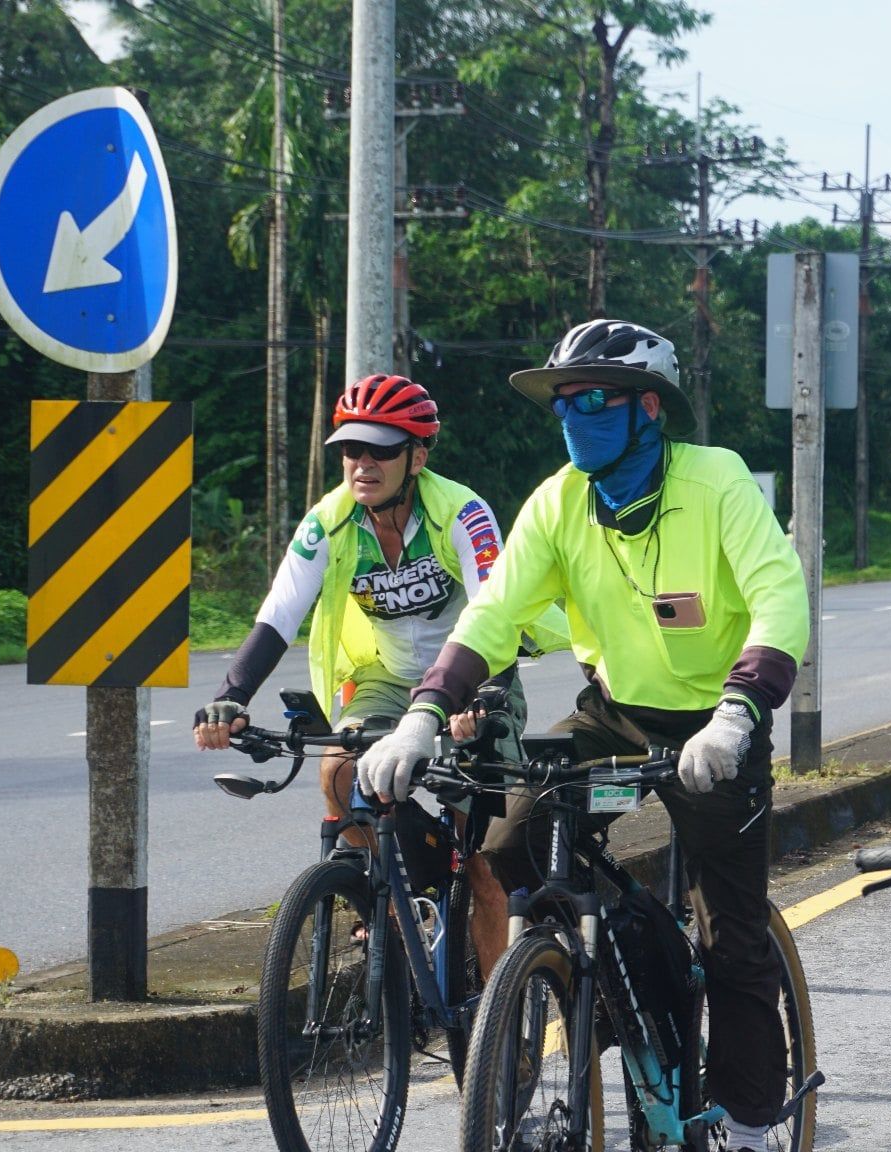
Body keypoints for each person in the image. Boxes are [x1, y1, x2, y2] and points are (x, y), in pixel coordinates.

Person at [356, 320, 809, 1152]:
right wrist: (424, 711)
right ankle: (623, 981)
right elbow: (494, 617)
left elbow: (781, 599)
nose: (575, 417)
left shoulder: (716, 481)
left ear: (648, 409)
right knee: (513, 846)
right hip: (614, 712)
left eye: (594, 399)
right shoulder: (558, 501)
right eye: (564, 402)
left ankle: (746, 1125)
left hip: (718, 720)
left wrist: (741, 711)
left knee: (735, 940)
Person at [192, 374, 550, 848]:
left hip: (470, 676)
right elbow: (279, 614)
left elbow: (496, 611)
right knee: (340, 770)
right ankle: (387, 899)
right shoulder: (328, 520)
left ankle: (459, 871)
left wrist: (487, 694)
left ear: (416, 458)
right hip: (388, 677)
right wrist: (232, 696)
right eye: (351, 449)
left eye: (380, 450)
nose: (363, 463)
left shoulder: (463, 512)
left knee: (482, 853)